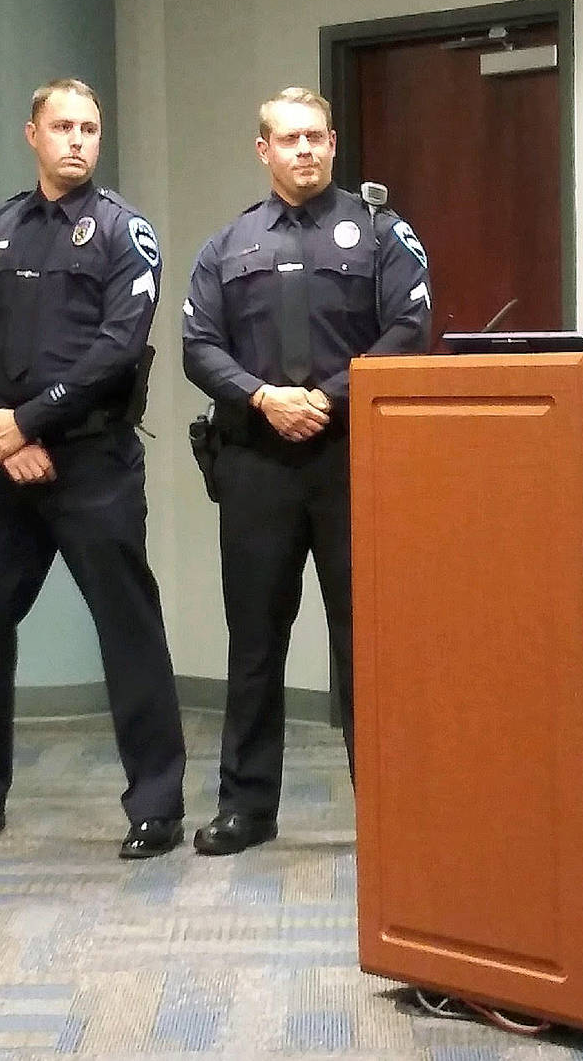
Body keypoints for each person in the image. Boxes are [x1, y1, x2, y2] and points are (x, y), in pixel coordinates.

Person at [0, 79, 188, 859]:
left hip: (93, 462)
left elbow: (116, 349)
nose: (77, 139)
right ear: (31, 134)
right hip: (3, 460)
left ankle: (155, 805)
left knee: (128, 628)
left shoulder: (122, 233)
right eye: (62, 126)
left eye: (90, 128)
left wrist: (29, 420)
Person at [180, 86, 432, 856]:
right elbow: (200, 348)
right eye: (289, 139)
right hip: (256, 461)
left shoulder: (383, 234)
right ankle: (246, 808)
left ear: (332, 143)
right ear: (263, 150)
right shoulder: (228, 246)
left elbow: (409, 328)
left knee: (367, 639)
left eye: (317, 137)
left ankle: (384, 809)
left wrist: (324, 398)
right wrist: (264, 398)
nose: (306, 151)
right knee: (254, 640)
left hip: (351, 456)